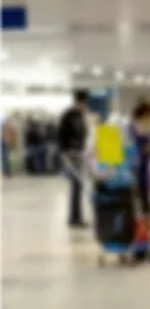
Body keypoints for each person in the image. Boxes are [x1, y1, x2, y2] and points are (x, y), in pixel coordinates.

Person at [57, 89, 91, 228]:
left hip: (79, 153)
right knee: (76, 185)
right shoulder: (69, 115)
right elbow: (61, 134)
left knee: (78, 186)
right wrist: (66, 150)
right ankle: (74, 218)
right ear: (79, 102)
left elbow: (83, 134)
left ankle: (76, 217)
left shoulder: (79, 115)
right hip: (71, 154)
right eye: (84, 102)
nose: (85, 105)